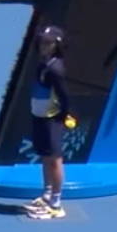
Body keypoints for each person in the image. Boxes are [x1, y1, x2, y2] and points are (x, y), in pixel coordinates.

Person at [25, 24, 77, 221]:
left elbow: (65, 96)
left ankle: (56, 204)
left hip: (51, 119)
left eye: (47, 43)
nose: (43, 46)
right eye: (41, 42)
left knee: (55, 160)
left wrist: (64, 117)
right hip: (39, 116)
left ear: (56, 45)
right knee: (45, 156)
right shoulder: (43, 63)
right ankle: (47, 195)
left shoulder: (55, 69)